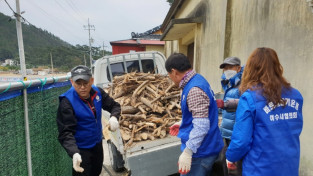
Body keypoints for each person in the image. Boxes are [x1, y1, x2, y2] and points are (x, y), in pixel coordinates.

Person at [226, 48, 303, 176]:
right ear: (277, 67)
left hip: (259, 168)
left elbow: (241, 141)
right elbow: (295, 129)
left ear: (251, 68)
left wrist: (231, 156)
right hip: (289, 166)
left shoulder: (249, 97)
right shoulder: (295, 95)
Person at [57, 65, 121, 176]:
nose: (82, 87)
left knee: (96, 172)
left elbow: (114, 106)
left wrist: (114, 117)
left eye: (85, 83)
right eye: (78, 84)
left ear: (91, 81)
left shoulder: (98, 92)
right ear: (72, 82)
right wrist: (74, 153)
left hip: (97, 145)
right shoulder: (67, 103)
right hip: (81, 150)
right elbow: (66, 133)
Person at [166, 53, 223, 176]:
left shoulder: (194, 89)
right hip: (208, 147)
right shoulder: (198, 79)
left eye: (170, 75)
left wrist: (188, 152)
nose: (171, 79)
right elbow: (203, 113)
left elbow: (201, 126)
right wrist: (183, 123)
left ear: (174, 72)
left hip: (201, 152)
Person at [216, 57, 243, 176]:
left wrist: (225, 104)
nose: (227, 70)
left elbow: (244, 103)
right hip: (227, 133)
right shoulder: (229, 83)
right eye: (225, 68)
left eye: (230, 67)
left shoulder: (243, 84)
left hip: (235, 134)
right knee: (224, 164)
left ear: (238, 68)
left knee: (234, 169)